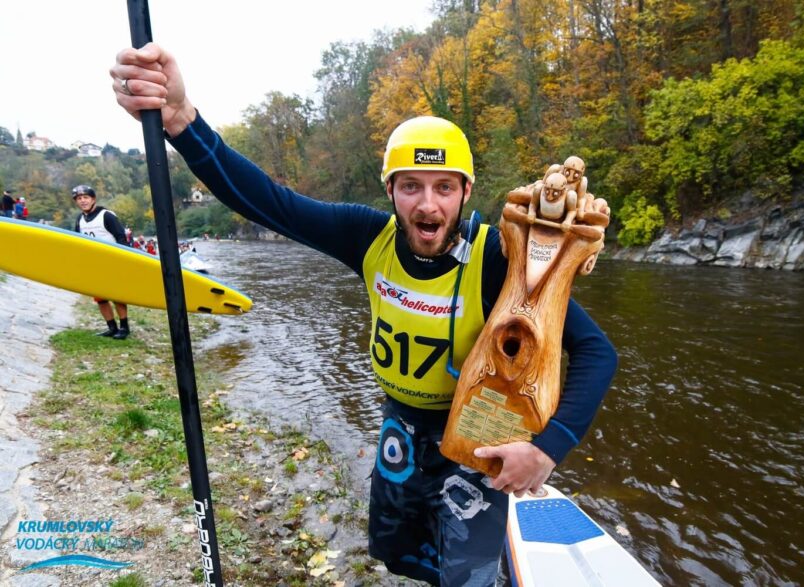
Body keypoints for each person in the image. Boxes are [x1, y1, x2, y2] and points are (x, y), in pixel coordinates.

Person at [112, 43, 617, 586]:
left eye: (445, 188)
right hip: (400, 422)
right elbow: (267, 201)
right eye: (411, 187)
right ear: (391, 192)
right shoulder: (366, 236)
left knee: (467, 576)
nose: (428, 206)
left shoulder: (498, 258)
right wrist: (183, 121)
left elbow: (594, 351)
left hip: (474, 440)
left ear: (466, 192)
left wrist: (546, 450)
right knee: (396, 552)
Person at [72, 184, 132, 340]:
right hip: (94, 264)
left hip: (112, 261)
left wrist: (123, 260)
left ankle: (124, 327)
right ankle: (111, 327)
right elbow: (79, 242)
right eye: (79, 199)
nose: (83, 201)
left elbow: (121, 238)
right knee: (100, 298)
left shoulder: (107, 216)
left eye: (86, 197)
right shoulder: (80, 219)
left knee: (117, 296)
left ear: (93, 199)